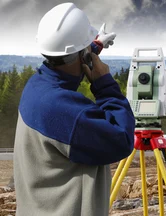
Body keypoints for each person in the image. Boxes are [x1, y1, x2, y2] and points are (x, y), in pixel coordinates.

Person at [13, 3, 135, 216]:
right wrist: (105, 85)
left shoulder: (37, 87)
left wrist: (95, 46)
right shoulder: (68, 112)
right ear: (82, 56)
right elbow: (122, 139)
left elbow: (66, 62)